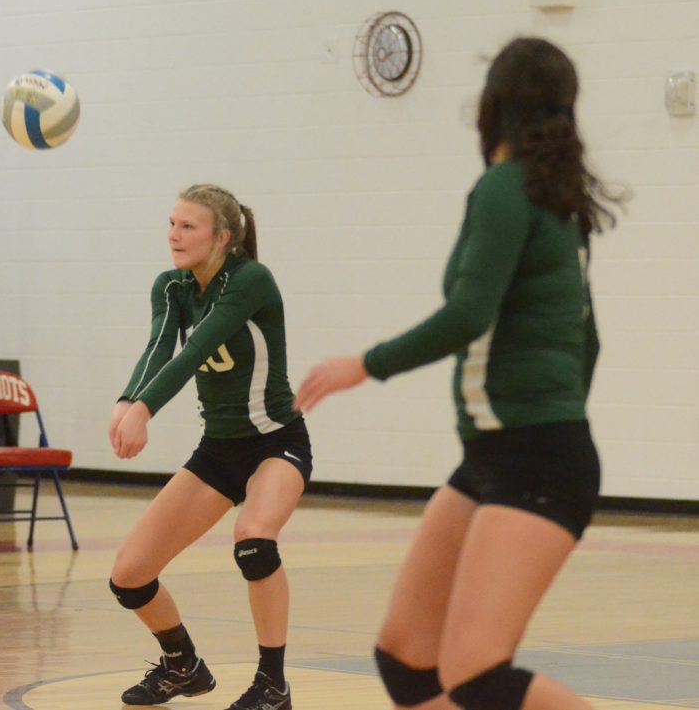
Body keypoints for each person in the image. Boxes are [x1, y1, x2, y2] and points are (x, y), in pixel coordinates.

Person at [294, 38, 626, 710]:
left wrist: (365, 364)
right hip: (501, 454)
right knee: (406, 657)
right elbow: (588, 341)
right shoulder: (555, 197)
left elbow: (469, 314)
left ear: (492, 106)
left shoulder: (507, 187)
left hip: (535, 458)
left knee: (476, 672)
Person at [109, 184, 312, 710]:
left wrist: (145, 411)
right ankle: (183, 666)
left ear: (222, 236)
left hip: (275, 443)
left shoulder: (251, 280)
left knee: (254, 541)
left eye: (188, 226)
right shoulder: (172, 286)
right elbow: (159, 347)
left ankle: (272, 685)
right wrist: (127, 399)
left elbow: (197, 348)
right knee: (129, 576)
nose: (174, 235)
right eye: (172, 224)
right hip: (218, 451)